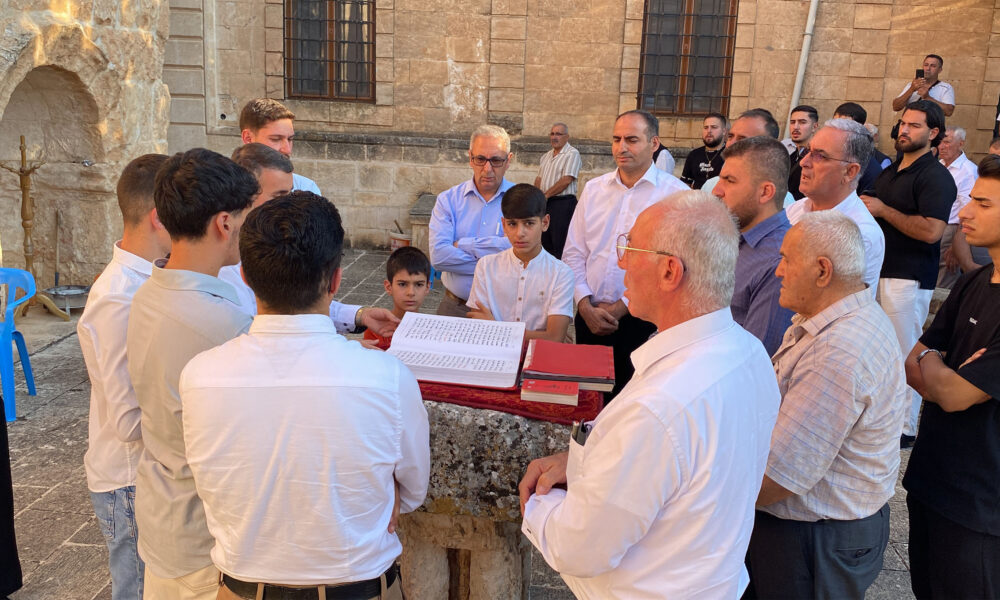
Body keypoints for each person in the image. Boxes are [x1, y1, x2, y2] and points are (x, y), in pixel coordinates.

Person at [519, 190, 780, 597]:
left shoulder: (658, 409)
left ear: (670, 272)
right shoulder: (750, 353)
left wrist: (539, 504)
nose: (621, 261)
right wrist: (590, 465)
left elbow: (578, 548)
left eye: (630, 247)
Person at [181, 193, 429, 600]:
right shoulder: (387, 377)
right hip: (359, 588)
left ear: (245, 277)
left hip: (243, 588)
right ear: (336, 281)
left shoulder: (199, 376)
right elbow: (413, 490)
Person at [746, 211, 907, 599]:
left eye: (786, 260)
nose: (778, 271)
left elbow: (778, 478)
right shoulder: (833, 318)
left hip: (814, 540)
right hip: (819, 534)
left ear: (822, 271)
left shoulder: (837, 350)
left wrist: (699, 505)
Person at [126, 148, 259, 599]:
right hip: (203, 537)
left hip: (162, 514)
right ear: (224, 223)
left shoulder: (147, 294)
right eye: (245, 218)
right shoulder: (225, 325)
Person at [901, 154, 1000, 599]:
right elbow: (913, 360)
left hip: (979, 506)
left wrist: (938, 369)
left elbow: (954, 394)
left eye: (983, 203)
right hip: (930, 482)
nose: (965, 211)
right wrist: (938, 366)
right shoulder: (973, 282)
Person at [79, 154, 171, 600]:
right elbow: (128, 420)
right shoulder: (119, 298)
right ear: (159, 218)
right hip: (129, 478)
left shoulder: (148, 280)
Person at [562, 110, 687, 398]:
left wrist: (622, 306)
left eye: (631, 140)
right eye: (616, 139)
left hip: (642, 321)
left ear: (654, 143)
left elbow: (673, 265)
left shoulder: (675, 196)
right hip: (589, 316)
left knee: (632, 403)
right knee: (587, 401)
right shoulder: (593, 190)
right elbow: (574, 253)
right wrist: (584, 304)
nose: (621, 147)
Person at [222, 142, 398, 336]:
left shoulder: (277, 242)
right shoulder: (224, 265)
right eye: (279, 196)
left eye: (290, 193)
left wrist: (360, 315)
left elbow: (299, 304)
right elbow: (262, 333)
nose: (288, 205)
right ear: (244, 196)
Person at [861, 100, 956, 448]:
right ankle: (881, 418)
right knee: (878, 351)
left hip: (909, 277)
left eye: (915, 125)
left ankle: (905, 427)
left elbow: (932, 231)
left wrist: (884, 210)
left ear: (933, 133)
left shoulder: (936, 177)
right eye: (903, 123)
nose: (904, 130)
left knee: (905, 351)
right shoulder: (891, 170)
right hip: (879, 271)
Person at [712, 136, 794, 355]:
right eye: (720, 179)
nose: (717, 191)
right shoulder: (730, 235)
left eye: (729, 181)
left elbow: (755, 357)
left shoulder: (779, 262)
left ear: (765, 192)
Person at [788, 118, 885, 297]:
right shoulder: (795, 209)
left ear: (850, 171)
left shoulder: (861, 234)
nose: (804, 162)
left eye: (820, 156)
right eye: (808, 151)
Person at [467, 183, 574, 342]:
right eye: (512, 224)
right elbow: (479, 328)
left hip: (538, 357)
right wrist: (536, 335)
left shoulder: (561, 273)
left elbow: (554, 337)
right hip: (494, 355)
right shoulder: (486, 266)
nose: (519, 233)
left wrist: (495, 328)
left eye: (529, 223)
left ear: (545, 223)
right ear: (504, 225)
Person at [429, 124, 515, 317]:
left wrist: (462, 245)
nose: (487, 168)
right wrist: (497, 260)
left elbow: (520, 255)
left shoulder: (521, 200)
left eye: (496, 160)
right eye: (480, 159)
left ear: (508, 160)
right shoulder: (448, 200)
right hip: (455, 307)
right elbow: (439, 257)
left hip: (503, 312)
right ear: (470, 158)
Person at [701, 109, 793, 208]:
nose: (731, 144)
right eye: (730, 136)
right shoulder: (710, 186)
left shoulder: (786, 204)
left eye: (743, 139)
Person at [239, 98, 320, 193]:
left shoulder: (306, 188)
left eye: (290, 139)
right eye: (276, 139)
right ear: (248, 138)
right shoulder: (226, 188)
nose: (287, 150)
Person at [937, 126, 979, 288]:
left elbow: (969, 211)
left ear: (961, 144)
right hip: (934, 227)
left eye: (947, 142)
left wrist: (957, 246)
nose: (941, 146)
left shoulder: (968, 171)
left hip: (952, 230)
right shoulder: (939, 165)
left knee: (944, 279)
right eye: (940, 142)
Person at [366, 246, 432, 350]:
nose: (411, 293)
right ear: (389, 287)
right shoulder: (376, 329)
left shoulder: (433, 329)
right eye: (402, 284)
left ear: (427, 287)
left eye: (419, 284)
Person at [534, 122, 583, 259]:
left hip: (563, 204)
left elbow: (567, 179)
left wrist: (545, 195)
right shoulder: (546, 156)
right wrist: (536, 197)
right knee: (544, 241)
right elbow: (538, 179)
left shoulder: (572, 154)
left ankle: (560, 271)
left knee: (560, 243)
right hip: (545, 203)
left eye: (558, 134)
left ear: (567, 137)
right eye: (552, 134)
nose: (554, 137)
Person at [832, 102, 887, 194]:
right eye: (835, 124)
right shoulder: (823, 154)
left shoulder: (870, 168)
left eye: (846, 126)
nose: (837, 130)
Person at [891, 54, 955, 117]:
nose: (928, 68)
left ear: (940, 70)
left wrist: (928, 97)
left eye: (933, 66)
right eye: (926, 65)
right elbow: (895, 107)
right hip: (910, 123)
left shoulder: (945, 87)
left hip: (930, 123)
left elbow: (949, 112)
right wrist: (911, 90)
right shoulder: (911, 85)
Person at [681, 112, 728, 189]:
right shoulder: (694, 155)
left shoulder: (730, 154)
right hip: (697, 196)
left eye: (714, 127)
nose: (709, 131)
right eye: (706, 127)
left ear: (724, 131)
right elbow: (685, 185)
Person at [786, 105, 820, 200]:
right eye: (792, 122)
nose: (795, 127)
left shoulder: (818, 159)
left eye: (802, 122)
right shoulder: (791, 157)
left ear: (814, 126)